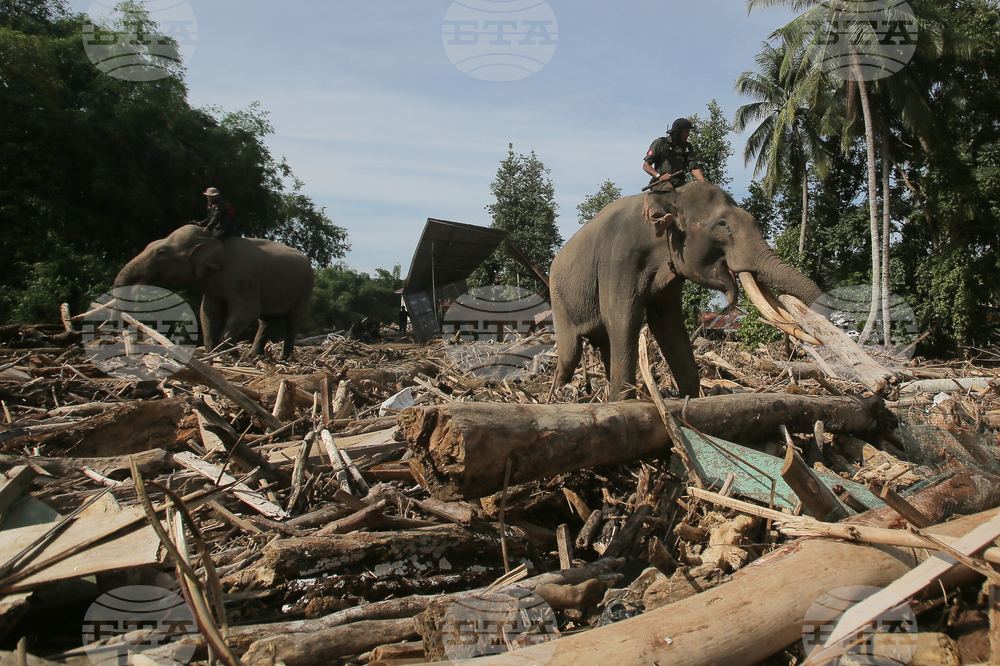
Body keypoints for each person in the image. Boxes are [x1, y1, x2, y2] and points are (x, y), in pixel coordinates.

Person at [642, 118, 707, 232]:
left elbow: (694, 167)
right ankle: (660, 221)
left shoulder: (687, 147)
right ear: (678, 131)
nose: (688, 134)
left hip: (680, 184)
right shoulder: (660, 143)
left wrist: (704, 184)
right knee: (669, 192)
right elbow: (646, 166)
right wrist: (659, 176)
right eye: (686, 131)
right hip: (662, 183)